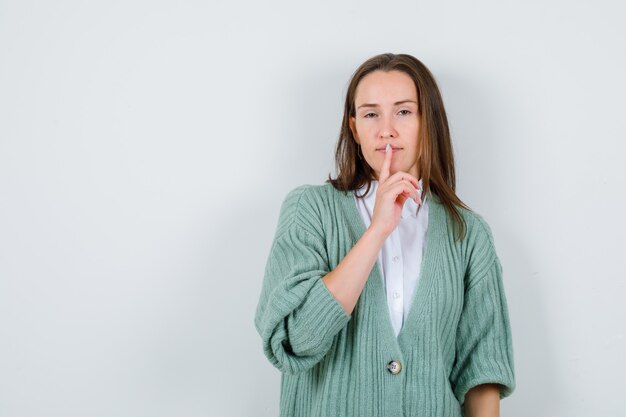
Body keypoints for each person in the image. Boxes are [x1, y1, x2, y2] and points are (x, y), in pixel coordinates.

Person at [254, 53, 515, 417]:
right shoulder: (308, 209)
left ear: (428, 122)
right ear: (354, 127)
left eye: (404, 112)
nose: (386, 129)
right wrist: (377, 231)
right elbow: (295, 341)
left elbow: (482, 372)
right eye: (371, 113)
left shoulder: (468, 234)